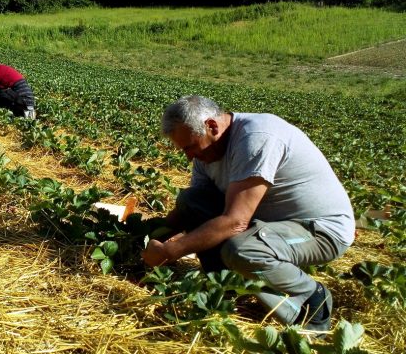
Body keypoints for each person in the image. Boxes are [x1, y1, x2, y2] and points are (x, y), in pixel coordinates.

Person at [141, 95, 354, 332]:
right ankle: (225, 286)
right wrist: (149, 234)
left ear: (211, 126)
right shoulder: (206, 152)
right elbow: (191, 206)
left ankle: (311, 299)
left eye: (190, 147)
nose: (189, 157)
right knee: (191, 200)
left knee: (242, 250)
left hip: (319, 230)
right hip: (269, 223)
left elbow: (235, 222)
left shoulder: (257, 138)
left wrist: (170, 251)